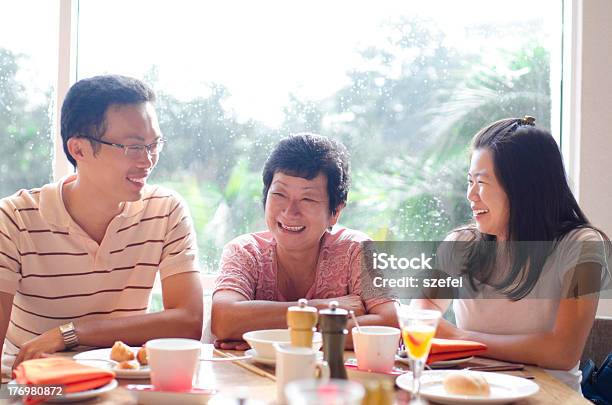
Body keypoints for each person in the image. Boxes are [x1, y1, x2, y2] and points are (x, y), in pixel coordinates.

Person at [0, 75, 203, 376]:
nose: (148, 161)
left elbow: (188, 322)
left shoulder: (165, 210)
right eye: (134, 147)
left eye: (154, 144)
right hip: (35, 388)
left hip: (122, 384)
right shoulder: (15, 219)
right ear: (79, 150)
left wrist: (72, 333)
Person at [412, 116, 610, 391]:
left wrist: (462, 337)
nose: (470, 195)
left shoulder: (583, 246)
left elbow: (563, 352)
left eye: (481, 182)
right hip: (471, 391)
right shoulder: (461, 243)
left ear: (522, 187)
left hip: (547, 396)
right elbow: (421, 312)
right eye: (469, 181)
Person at [211, 133, 396, 349]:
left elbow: (391, 324)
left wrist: (267, 337)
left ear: (335, 212)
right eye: (279, 194)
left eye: (307, 199)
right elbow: (223, 320)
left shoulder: (357, 250)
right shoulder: (245, 251)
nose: (290, 212)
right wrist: (325, 310)